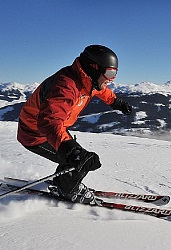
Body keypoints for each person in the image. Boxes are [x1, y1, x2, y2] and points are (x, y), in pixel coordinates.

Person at [17, 45, 132, 204]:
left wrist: (117, 103)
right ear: (94, 68)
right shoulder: (66, 86)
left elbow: (102, 91)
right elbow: (50, 121)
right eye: (109, 73)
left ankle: (64, 183)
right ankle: (67, 190)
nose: (111, 79)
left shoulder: (88, 81)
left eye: (115, 73)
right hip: (35, 133)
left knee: (75, 157)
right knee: (79, 160)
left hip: (52, 130)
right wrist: (71, 151)